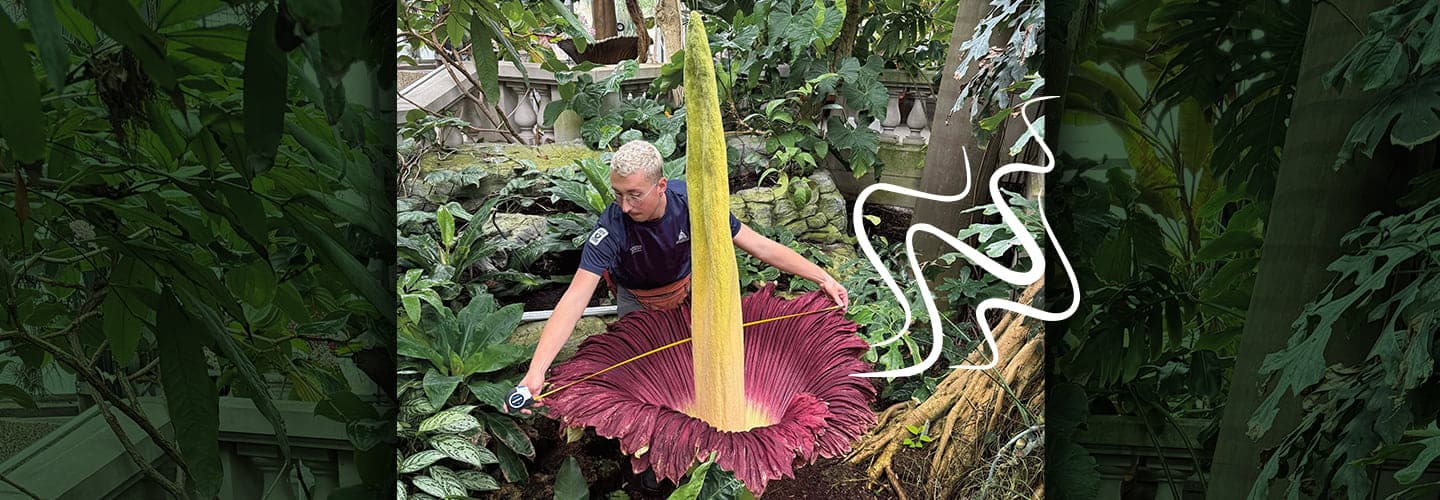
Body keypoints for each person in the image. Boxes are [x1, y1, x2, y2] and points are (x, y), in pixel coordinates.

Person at [509, 139, 849, 412]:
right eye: (617, 194)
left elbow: (759, 246)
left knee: (693, 358)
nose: (624, 205)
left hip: (688, 291)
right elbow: (575, 300)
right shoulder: (612, 227)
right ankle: (651, 451)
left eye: (634, 194)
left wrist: (823, 278)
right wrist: (536, 372)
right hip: (637, 301)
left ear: (660, 186)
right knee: (645, 371)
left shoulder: (692, 202)